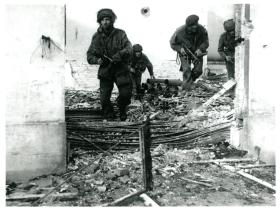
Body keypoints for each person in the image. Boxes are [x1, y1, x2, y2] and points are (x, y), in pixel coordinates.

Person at [87, 8, 133, 121]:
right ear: (100, 21)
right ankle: (109, 114)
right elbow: (89, 55)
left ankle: (122, 109)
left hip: (120, 69)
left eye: (107, 19)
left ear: (112, 20)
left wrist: (120, 54)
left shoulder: (120, 34)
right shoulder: (96, 37)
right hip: (106, 71)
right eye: (102, 20)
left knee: (126, 95)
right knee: (104, 98)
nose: (105, 22)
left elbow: (129, 48)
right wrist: (97, 61)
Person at [170, 14, 209, 91]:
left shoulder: (201, 29)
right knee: (187, 70)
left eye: (196, 24)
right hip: (184, 54)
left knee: (198, 71)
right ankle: (186, 90)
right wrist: (180, 49)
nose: (195, 26)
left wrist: (200, 49)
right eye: (192, 25)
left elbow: (206, 42)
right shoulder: (179, 31)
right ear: (188, 26)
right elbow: (172, 43)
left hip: (197, 53)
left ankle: (190, 82)